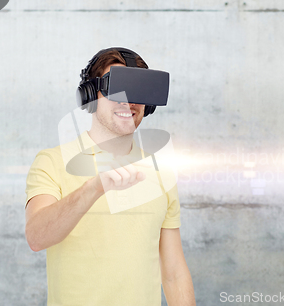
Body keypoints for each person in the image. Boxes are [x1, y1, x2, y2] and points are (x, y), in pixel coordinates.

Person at [24, 47, 196, 306]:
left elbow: (172, 273)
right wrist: (94, 187)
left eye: (139, 90)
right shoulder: (52, 161)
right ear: (90, 95)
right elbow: (37, 238)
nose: (128, 101)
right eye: (117, 89)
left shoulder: (161, 173)